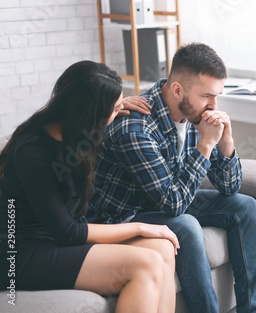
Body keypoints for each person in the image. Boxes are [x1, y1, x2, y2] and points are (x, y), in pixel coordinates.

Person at [86, 43, 256, 313]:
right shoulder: (136, 128)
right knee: (186, 224)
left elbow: (230, 187)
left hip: (164, 199)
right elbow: (174, 205)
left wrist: (226, 143)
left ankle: (253, 310)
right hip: (123, 215)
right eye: (207, 96)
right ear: (178, 90)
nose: (214, 106)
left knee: (245, 207)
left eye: (217, 96)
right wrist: (205, 146)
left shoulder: (195, 115)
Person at [0, 61, 179, 313]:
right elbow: (67, 232)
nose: (121, 110)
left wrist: (113, 107)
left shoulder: (77, 132)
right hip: (22, 255)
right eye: (115, 108)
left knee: (162, 248)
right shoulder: (33, 151)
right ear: (90, 112)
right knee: (145, 263)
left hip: (55, 242)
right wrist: (139, 226)